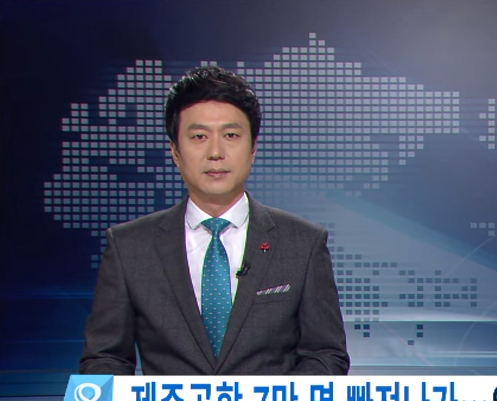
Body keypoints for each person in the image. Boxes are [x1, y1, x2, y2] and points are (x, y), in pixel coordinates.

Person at [80, 66, 350, 375]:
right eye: (199, 137)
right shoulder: (129, 247)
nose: (216, 152)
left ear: (253, 148)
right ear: (175, 151)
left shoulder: (302, 243)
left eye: (231, 135)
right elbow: (105, 358)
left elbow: (325, 355)